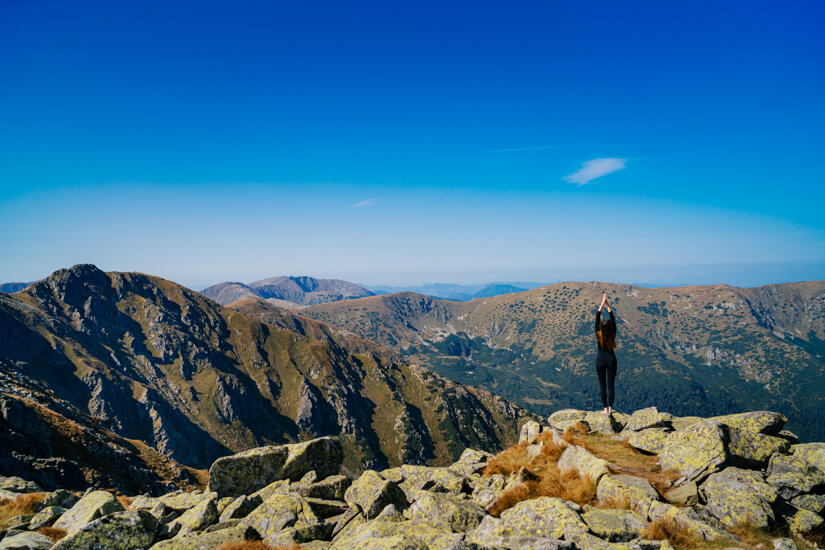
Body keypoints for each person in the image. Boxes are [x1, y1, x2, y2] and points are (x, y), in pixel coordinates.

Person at [595, 292, 618, 415]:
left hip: (600, 360)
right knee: (611, 385)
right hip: (611, 360)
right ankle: (610, 408)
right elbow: (613, 320)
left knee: (602, 385)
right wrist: (608, 306)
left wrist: (601, 305)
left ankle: (604, 409)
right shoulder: (613, 334)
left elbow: (597, 319)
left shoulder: (598, 335)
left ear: (600, 328)